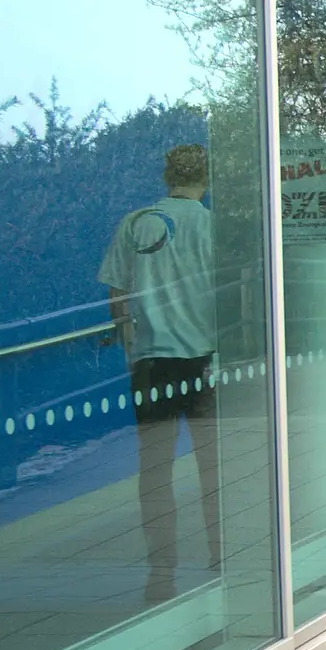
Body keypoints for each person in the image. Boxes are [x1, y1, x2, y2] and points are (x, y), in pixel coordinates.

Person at [99, 144, 222, 604]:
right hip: (204, 360)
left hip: (152, 362)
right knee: (214, 467)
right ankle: (221, 555)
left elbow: (118, 293)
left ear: (166, 175)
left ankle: (161, 574)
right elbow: (233, 293)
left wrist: (132, 347)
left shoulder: (137, 223)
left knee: (154, 471)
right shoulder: (213, 226)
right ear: (206, 179)